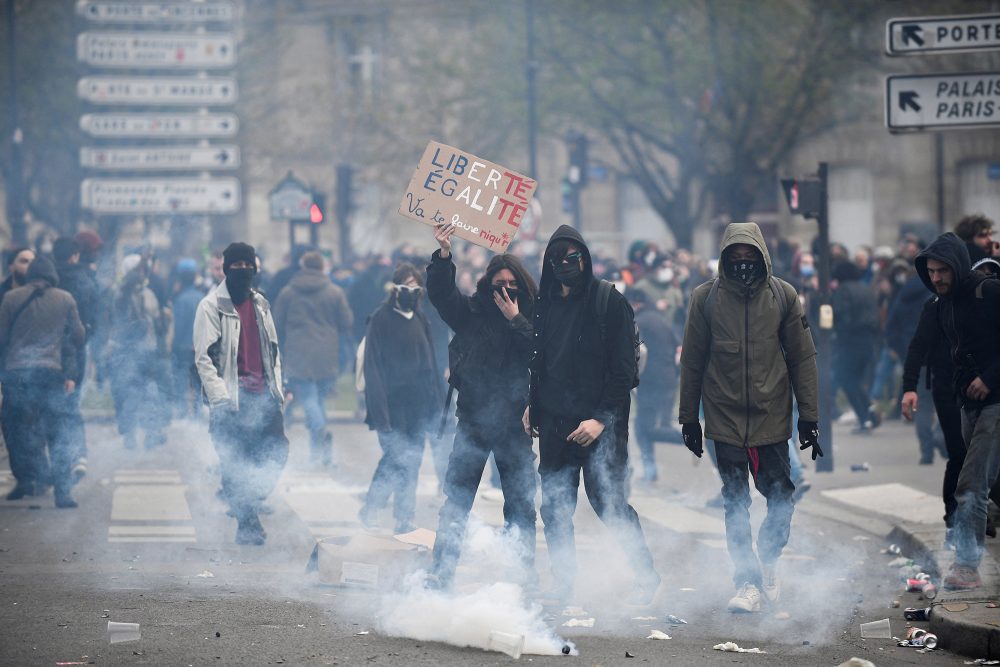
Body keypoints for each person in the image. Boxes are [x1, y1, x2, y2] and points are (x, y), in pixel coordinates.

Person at [678, 222, 820, 613]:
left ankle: (767, 561)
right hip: (723, 420)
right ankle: (746, 582)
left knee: (780, 498)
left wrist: (809, 416)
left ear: (763, 257)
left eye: (750, 257)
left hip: (771, 418)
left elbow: (803, 358)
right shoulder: (704, 299)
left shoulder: (784, 296)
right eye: (735, 258)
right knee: (735, 503)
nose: (743, 264)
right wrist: (689, 418)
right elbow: (692, 361)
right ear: (725, 259)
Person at [526, 225, 660, 605]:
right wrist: (532, 405)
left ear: (584, 259)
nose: (564, 265)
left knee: (609, 504)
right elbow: (541, 363)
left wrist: (600, 418)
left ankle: (645, 574)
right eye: (556, 259)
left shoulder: (608, 302)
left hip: (601, 425)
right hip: (554, 422)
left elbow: (624, 371)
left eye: (571, 257)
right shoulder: (545, 304)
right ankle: (564, 583)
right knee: (554, 507)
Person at [424, 221, 538, 590]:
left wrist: (515, 319)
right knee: (456, 503)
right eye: (498, 285)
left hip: (515, 425)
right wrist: (444, 254)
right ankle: (440, 576)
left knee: (520, 506)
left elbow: (540, 355)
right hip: (473, 420)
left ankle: (520, 579)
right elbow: (442, 296)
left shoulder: (531, 319)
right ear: (488, 285)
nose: (504, 292)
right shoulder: (471, 314)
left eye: (511, 285)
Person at [913, 233, 1000, 590]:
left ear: (958, 266)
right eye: (931, 271)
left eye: (943, 270)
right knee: (989, 483)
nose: (936, 278)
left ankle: (967, 565)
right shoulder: (940, 304)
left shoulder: (989, 292)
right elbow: (921, 345)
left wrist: (990, 378)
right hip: (968, 403)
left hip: (995, 400)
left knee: (971, 484)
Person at [194, 242, 289, 545]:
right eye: (236, 267)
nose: (243, 272)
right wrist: (220, 398)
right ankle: (247, 524)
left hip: (263, 397)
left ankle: (249, 502)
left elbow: (273, 350)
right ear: (226, 269)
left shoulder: (261, 303)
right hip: (231, 401)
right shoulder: (210, 307)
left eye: (248, 266)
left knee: (276, 452)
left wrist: (277, 388)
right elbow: (204, 358)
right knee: (235, 463)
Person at [358, 263, 443, 534]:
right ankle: (371, 507)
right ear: (395, 289)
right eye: (407, 287)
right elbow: (373, 367)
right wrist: (380, 413)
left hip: (418, 406)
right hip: (391, 406)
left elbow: (430, 363)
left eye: (417, 288)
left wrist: (436, 407)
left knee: (413, 462)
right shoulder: (380, 319)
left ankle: (405, 516)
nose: (412, 293)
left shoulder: (421, 320)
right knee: (394, 459)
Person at [0, 257, 85, 507]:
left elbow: (1, 337)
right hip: (51, 373)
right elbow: (78, 338)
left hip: (17, 374)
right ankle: (62, 491)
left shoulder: (11, 298)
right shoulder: (65, 299)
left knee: (18, 430)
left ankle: (28, 478)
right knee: (56, 433)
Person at [274, 250, 353, 466]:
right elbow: (346, 322)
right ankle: (319, 448)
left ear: (302, 266)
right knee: (318, 400)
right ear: (322, 267)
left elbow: (277, 322)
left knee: (309, 400)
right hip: (327, 353)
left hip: (298, 352)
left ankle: (319, 439)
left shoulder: (288, 292)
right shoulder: (335, 292)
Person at [107, 255, 169, 450]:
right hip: (126, 352)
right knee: (130, 393)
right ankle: (132, 434)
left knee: (148, 393)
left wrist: (163, 320)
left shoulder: (146, 294)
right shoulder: (120, 294)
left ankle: (150, 432)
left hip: (145, 351)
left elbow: (158, 322)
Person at [629, 289, 682, 482]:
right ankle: (650, 471)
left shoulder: (640, 322)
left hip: (651, 380)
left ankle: (689, 439)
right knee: (647, 426)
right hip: (668, 378)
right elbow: (678, 347)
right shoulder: (660, 320)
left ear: (635, 303)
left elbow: (638, 352)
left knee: (644, 428)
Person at [170, 259, 204, 419]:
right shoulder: (201, 297)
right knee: (198, 384)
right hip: (199, 347)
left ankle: (183, 413)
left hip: (182, 347)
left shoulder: (180, 299)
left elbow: (178, 325)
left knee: (181, 382)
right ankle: (197, 414)